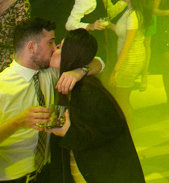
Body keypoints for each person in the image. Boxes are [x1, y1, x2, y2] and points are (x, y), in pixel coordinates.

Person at [0, 18, 103, 183]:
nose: (54, 48)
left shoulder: (48, 72)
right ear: (31, 47)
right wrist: (18, 122)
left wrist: (80, 71)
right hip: (10, 179)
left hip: (45, 173)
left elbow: (100, 62)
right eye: (50, 42)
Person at [47, 29, 144, 183]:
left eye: (59, 46)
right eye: (52, 43)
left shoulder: (86, 91)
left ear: (71, 54)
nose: (54, 49)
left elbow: (105, 137)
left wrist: (68, 132)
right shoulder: (66, 81)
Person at [65, 0, 125, 67]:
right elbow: (69, 24)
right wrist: (89, 26)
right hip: (86, 48)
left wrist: (125, 0)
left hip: (100, 45)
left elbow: (109, 14)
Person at [109, 0, 151, 113]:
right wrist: (108, 25)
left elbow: (128, 43)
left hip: (130, 60)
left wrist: (116, 70)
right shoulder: (131, 11)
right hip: (130, 58)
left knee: (122, 100)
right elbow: (122, 31)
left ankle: (129, 124)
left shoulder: (133, 15)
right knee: (122, 98)